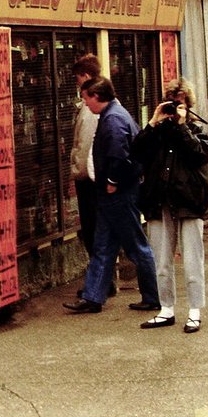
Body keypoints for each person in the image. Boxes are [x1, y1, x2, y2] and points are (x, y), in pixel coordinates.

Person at [64, 77, 161, 313]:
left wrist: (112, 181)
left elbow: (120, 154)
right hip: (114, 193)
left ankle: (153, 295)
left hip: (119, 193)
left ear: (97, 96)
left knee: (136, 245)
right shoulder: (113, 115)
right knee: (103, 245)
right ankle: (93, 296)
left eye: (87, 98)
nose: (85, 104)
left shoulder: (114, 119)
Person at [131, 79, 208, 333]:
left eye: (181, 103)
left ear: (189, 105)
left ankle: (195, 310)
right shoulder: (157, 132)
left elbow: (199, 155)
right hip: (159, 200)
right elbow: (136, 152)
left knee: (192, 260)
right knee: (162, 261)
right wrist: (153, 122)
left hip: (189, 201)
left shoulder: (196, 130)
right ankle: (166, 309)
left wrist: (181, 126)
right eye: (172, 102)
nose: (176, 107)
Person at [70, 54, 117, 297]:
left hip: (90, 181)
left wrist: (80, 172)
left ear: (86, 77)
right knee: (101, 232)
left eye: (78, 78)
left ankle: (100, 285)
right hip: (95, 179)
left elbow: (87, 146)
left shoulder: (91, 110)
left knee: (94, 232)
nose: (77, 84)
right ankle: (103, 282)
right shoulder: (101, 107)